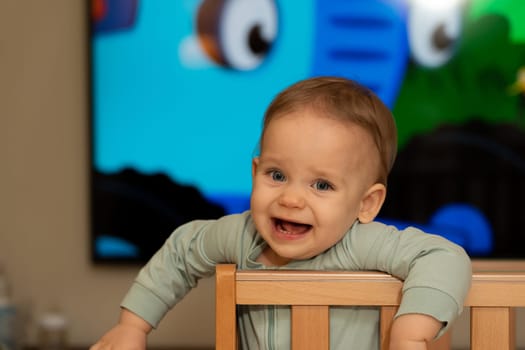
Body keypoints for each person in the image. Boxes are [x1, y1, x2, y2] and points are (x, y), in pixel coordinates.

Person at [90, 77, 472, 350]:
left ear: (366, 204)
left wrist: (412, 329)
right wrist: (133, 326)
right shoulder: (242, 236)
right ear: (255, 173)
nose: (291, 199)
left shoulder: (361, 243)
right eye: (277, 175)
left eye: (321, 185)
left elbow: (444, 255)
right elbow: (183, 248)